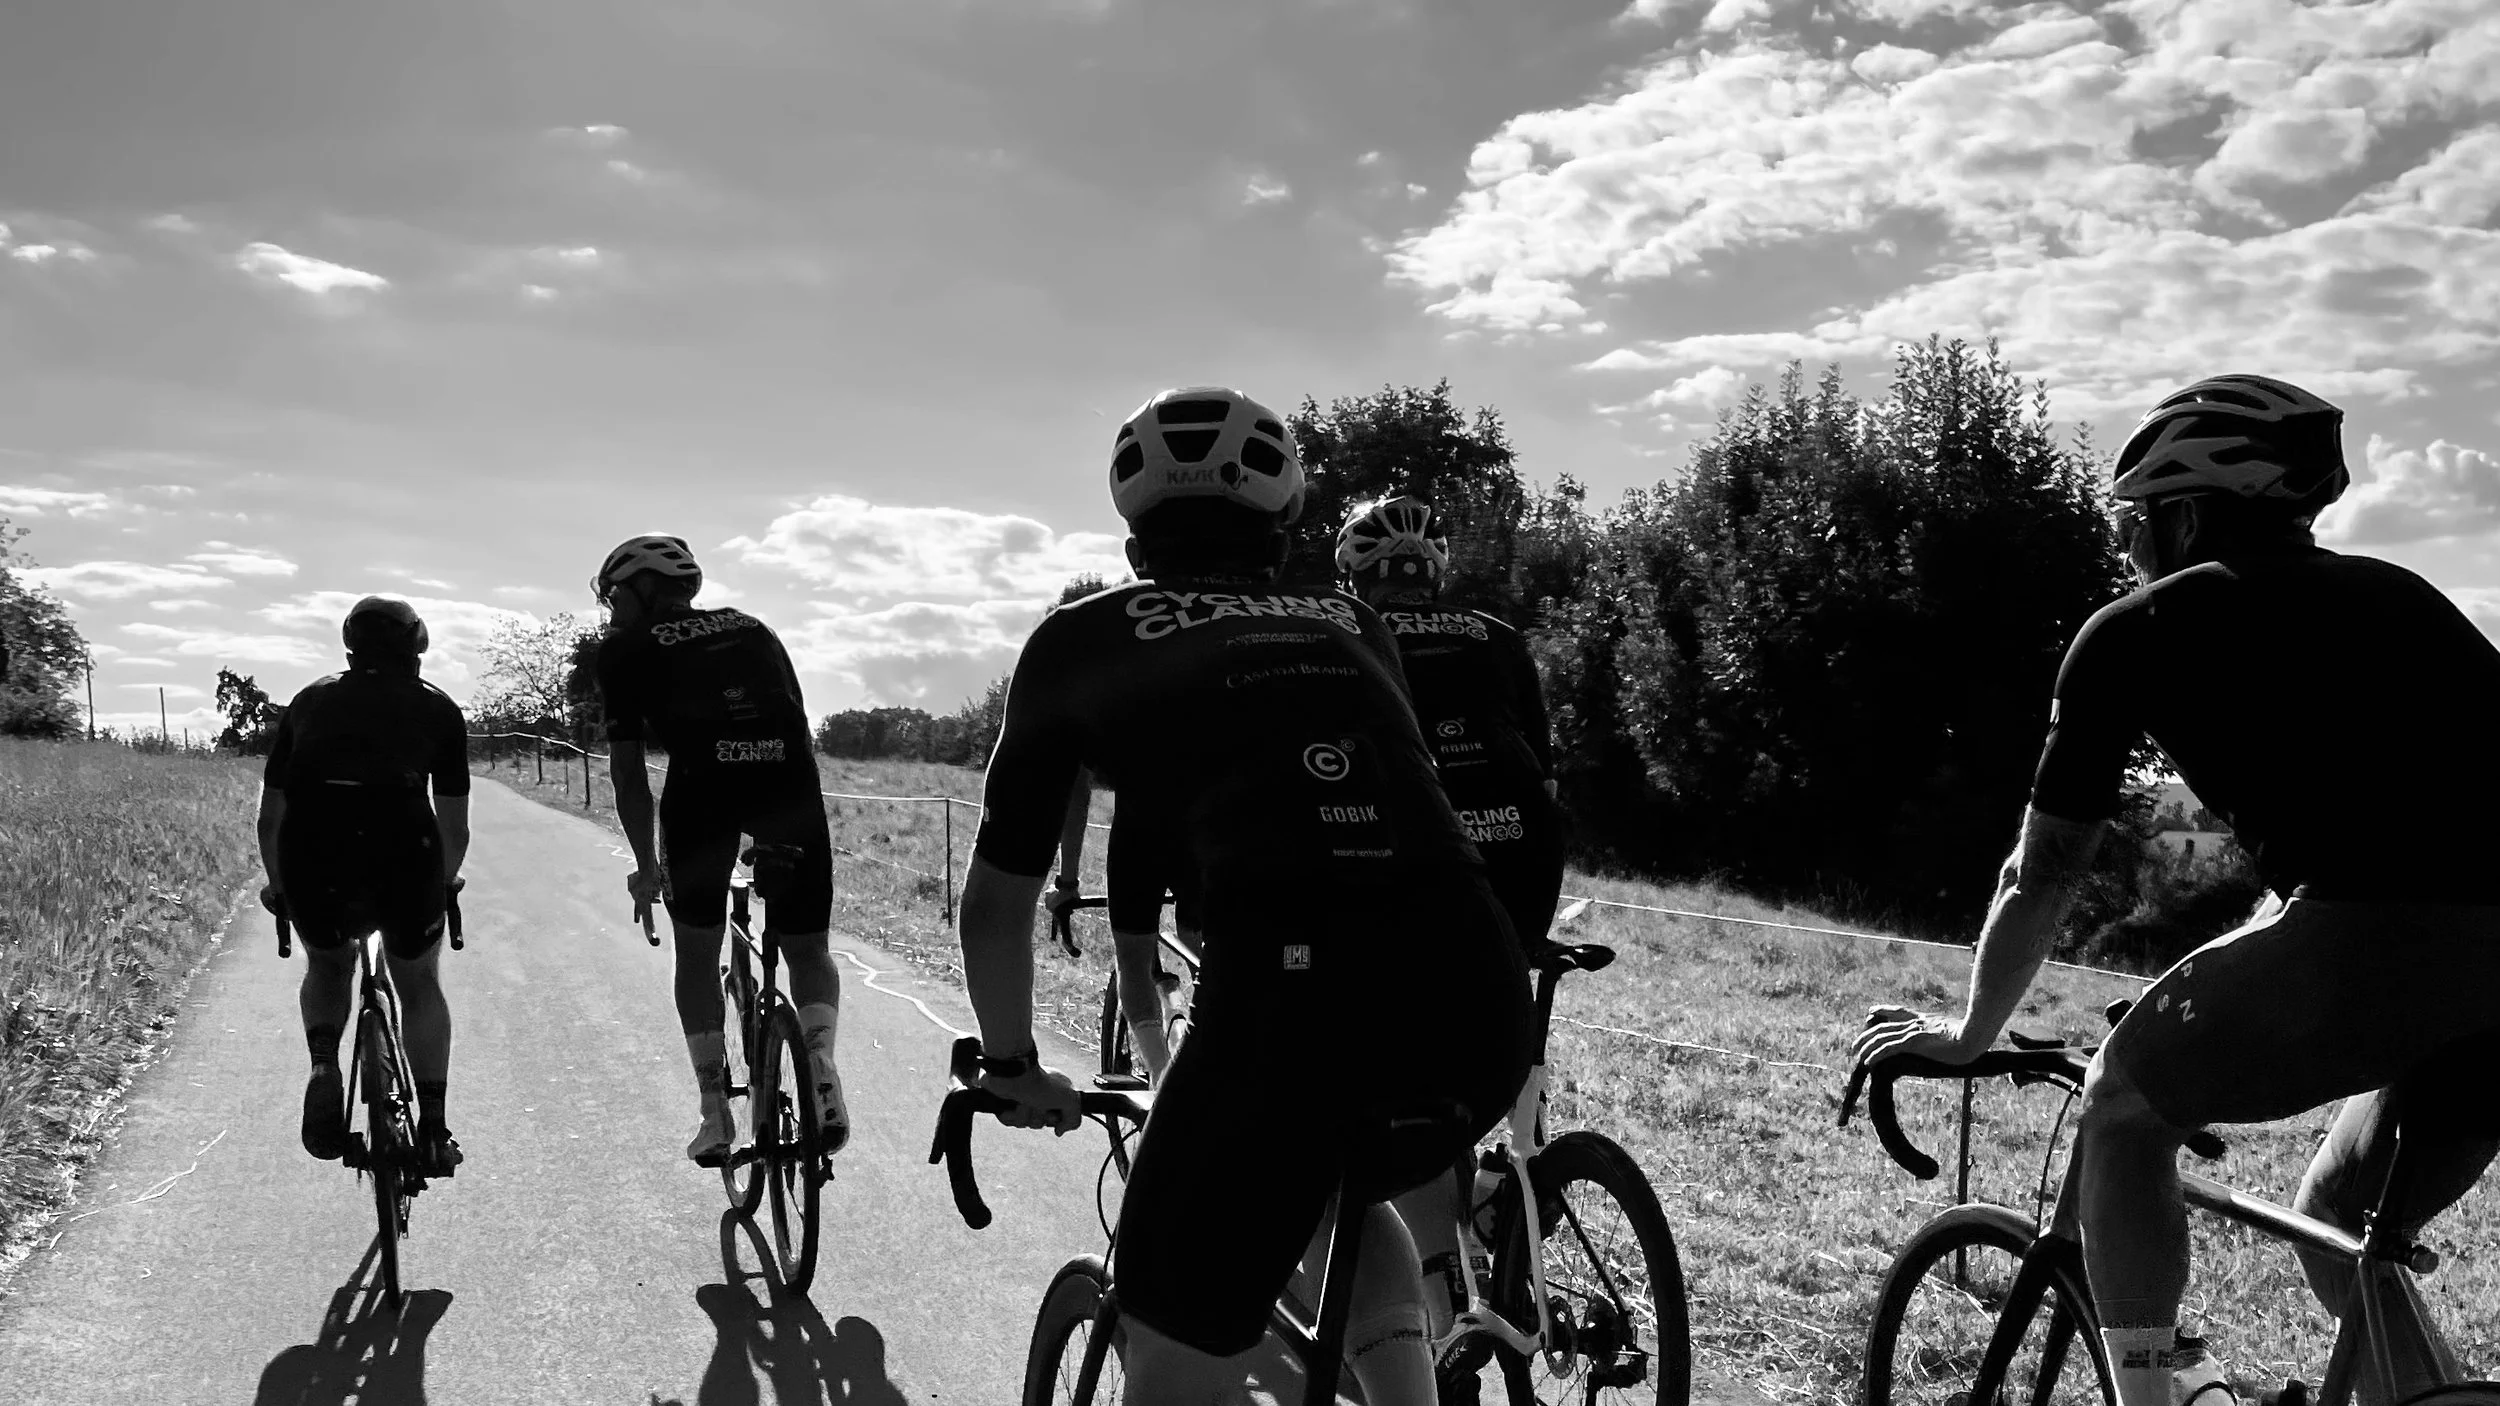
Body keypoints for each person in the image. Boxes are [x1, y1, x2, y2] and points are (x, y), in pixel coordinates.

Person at [1851, 374, 2500, 1406]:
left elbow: (2044, 871)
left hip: (2378, 941)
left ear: (2186, 513)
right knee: (2342, 1223)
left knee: (2118, 1105)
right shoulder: (2404, 596)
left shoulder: (2135, 630)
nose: (2127, 548)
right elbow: (2389, 832)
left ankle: (2147, 1396)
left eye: (2133, 523)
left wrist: (1972, 1029)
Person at [957, 385, 1533, 1404]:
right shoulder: (1354, 619)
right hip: (1473, 992)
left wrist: (1010, 1063)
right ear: (1285, 525)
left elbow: (998, 895)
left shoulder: (1080, 636)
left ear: (1134, 535)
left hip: (1284, 1001)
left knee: (1178, 1344)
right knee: (1334, 1177)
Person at [1334, 492, 1566, 1333]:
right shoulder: (1495, 637)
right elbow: (1542, 774)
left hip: (1422, 869)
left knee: (1409, 1083)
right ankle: (1508, 1184)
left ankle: (1438, 1317)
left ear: (1353, 574)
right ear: (1436, 574)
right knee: (1482, 1032)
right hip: (1525, 863)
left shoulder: (1349, 637)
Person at [590, 534, 848, 1165]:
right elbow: (795, 717)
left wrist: (648, 867)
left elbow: (628, 774)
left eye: (614, 595)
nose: (610, 609)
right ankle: (820, 1065)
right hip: (788, 783)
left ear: (641, 588)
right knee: (808, 947)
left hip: (703, 795)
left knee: (698, 954)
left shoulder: (625, 649)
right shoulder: (753, 626)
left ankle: (714, 1113)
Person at [258, 595, 470, 1176]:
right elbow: (454, 822)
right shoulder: (438, 709)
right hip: (406, 858)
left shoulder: (309, 701)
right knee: (419, 984)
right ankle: (431, 1128)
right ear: (416, 650)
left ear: (351, 648)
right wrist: (443, 882)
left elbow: (271, 814)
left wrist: (279, 884)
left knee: (328, 965)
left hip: (313, 857)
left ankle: (325, 1062)